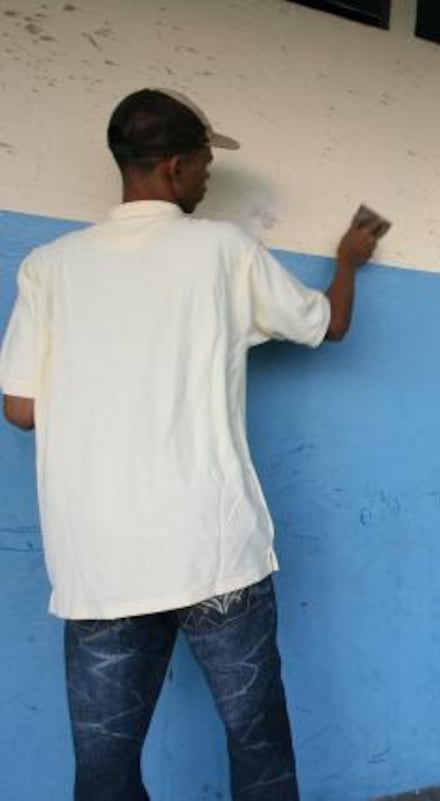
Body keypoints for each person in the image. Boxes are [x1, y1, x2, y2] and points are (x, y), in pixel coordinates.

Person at [0, 88, 384, 801]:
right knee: (258, 744)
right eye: (206, 163)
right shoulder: (221, 250)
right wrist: (348, 261)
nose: (209, 178)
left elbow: (20, 407)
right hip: (213, 553)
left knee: (106, 772)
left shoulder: (49, 267)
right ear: (175, 167)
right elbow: (327, 325)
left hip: (100, 559)